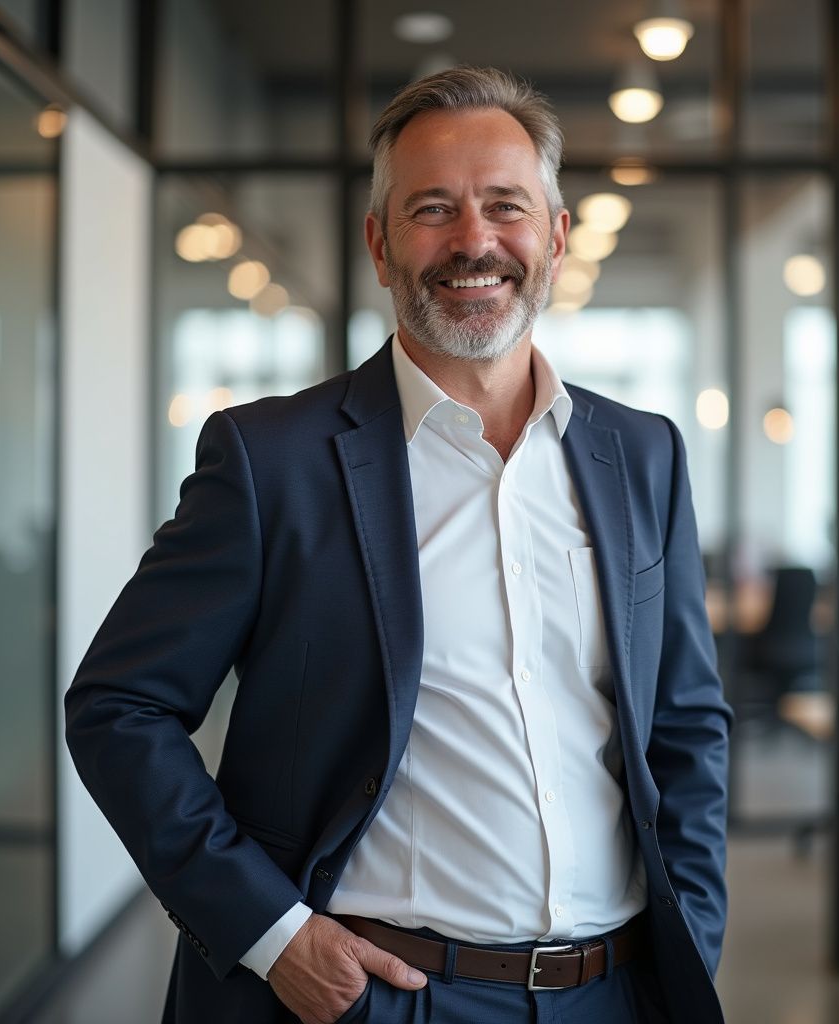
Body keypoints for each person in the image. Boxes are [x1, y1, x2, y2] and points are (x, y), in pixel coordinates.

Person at [65, 66, 732, 1024]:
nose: (474, 241)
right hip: (379, 1000)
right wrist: (274, 935)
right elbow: (119, 707)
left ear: (555, 237)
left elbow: (686, 723)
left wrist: (693, 930)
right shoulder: (271, 461)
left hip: (615, 993)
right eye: (433, 209)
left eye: (506, 206)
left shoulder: (641, 454)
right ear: (380, 244)